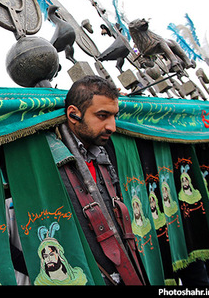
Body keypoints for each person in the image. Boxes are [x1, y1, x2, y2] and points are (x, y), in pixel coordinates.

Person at [55, 75, 146, 285]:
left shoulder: (106, 149)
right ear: (73, 114)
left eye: (114, 116)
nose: (112, 126)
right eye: (102, 115)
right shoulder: (46, 157)